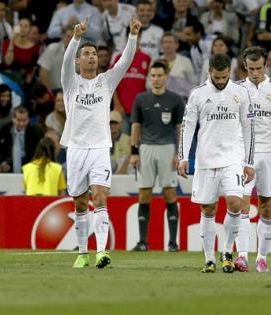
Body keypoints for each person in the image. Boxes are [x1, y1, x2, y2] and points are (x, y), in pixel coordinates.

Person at [63, 17, 141, 269]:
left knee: (100, 197)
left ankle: (101, 252)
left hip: (99, 148)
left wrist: (132, 35)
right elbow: (65, 64)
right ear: (78, 59)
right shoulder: (71, 83)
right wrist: (76, 37)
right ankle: (83, 252)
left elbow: (126, 61)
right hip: (75, 148)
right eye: (85, 54)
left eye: (94, 54)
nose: (91, 57)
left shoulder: (106, 81)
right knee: (80, 203)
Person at [178, 53, 255, 273]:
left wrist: (248, 162)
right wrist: (183, 157)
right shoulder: (198, 94)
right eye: (217, 77)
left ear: (229, 71)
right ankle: (209, 259)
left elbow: (249, 129)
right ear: (209, 71)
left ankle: (227, 252)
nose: (221, 81)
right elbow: (188, 127)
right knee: (208, 209)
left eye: (224, 76)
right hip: (205, 160)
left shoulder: (241, 93)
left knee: (235, 203)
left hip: (232, 159)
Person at [234, 47, 271, 272]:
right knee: (241, 205)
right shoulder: (236, 89)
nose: (255, 72)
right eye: (251, 69)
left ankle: (262, 258)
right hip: (243, 153)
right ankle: (242, 256)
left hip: (269, 152)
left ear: (265, 65)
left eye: (258, 68)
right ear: (245, 67)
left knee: (267, 208)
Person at [129, 61, 185, 252]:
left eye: (159, 75)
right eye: (152, 75)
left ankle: (172, 243)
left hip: (167, 149)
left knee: (169, 193)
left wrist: (180, 153)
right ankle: (143, 241)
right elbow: (135, 126)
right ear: (149, 77)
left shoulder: (176, 100)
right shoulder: (141, 99)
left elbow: (179, 129)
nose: (156, 79)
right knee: (144, 193)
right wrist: (134, 152)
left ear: (166, 76)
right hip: (145, 148)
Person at [0, 106, 43, 173]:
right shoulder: (4, 128)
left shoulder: (34, 131)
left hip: (28, 163)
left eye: (24, 120)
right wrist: (1, 162)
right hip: (8, 163)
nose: (21, 124)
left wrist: (33, 163)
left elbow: (39, 149)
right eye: (19, 120)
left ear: (28, 119)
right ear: (13, 119)